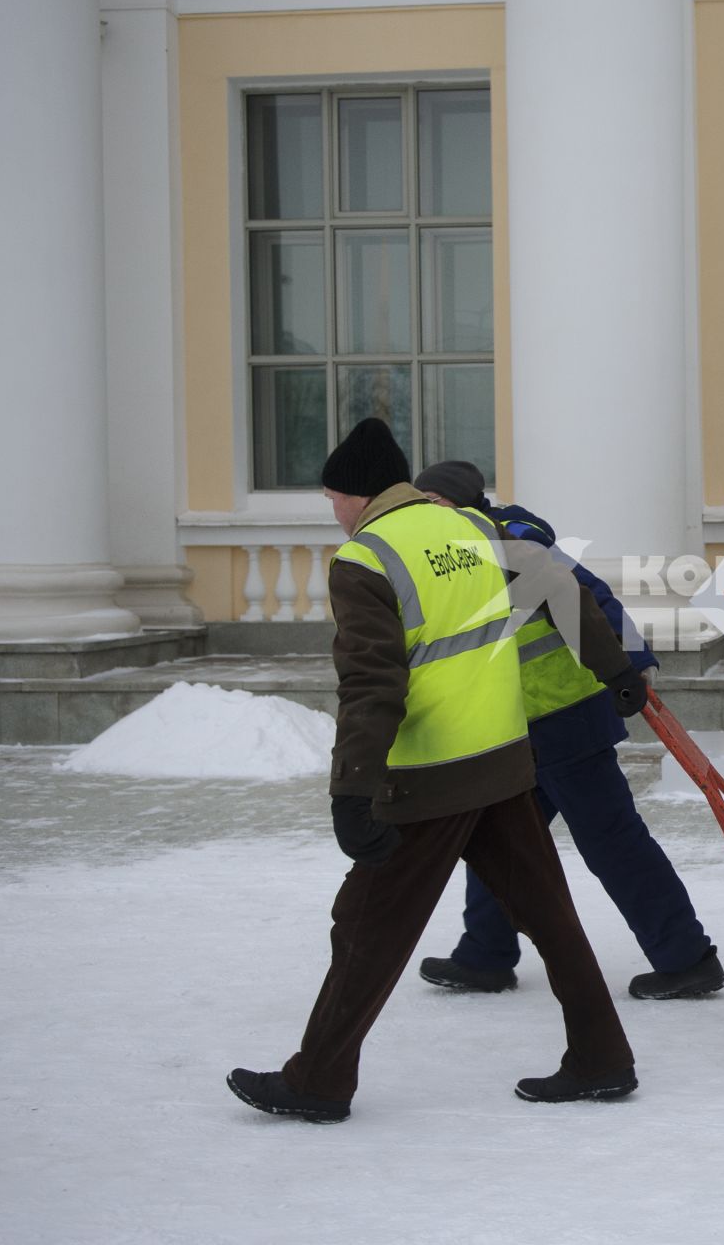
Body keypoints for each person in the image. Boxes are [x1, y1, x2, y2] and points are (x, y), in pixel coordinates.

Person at [226, 419, 648, 1123]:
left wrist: (351, 787)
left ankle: (318, 1081)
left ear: (357, 496)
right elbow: (562, 592)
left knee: (363, 925)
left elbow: (370, 685)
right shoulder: (474, 529)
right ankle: (602, 1059)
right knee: (549, 916)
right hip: (504, 760)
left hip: (430, 776)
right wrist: (616, 670)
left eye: (333, 498)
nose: (332, 511)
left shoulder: (366, 558)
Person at [409, 459, 724, 1000]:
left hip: (567, 718)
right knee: (498, 840)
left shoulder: (509, 541)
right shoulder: (453, 555)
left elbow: (587, 596)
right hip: (513, 728)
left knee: (612, 843)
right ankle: (484, 955)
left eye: (430, 504)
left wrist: (628, 666)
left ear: (456, 503)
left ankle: (686, 958)